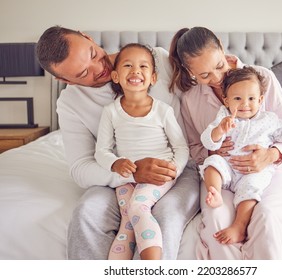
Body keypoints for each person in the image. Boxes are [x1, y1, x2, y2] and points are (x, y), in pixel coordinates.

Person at [36, 26, 200, 260]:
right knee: (86, 214)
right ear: (64, 80)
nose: (100, 68)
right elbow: (81, 168)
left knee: (167, 215)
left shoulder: (154, 60)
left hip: (176, 170)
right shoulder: (70, 104)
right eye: (83, 74)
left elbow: (210, 93)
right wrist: (133, 173)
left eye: (93, 54)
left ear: (88, 37)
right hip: (118, 177)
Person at [169, 26, 282, 259]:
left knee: (267, 217)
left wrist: (269, 155)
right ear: (189, 71)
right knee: (218, 225)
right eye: (204, 75)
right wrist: (213, 148)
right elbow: (194, 148)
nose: (218, 79)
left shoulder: (263, 79)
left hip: (270, 170)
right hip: (223, 174)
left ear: (221, 46)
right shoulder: (191, 100)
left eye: (219, 66)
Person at [199, 67, 282, 245]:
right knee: (212, 162)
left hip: (253, 171)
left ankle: (239, 226)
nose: (245, 104)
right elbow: (208, 141)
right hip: (228, 167)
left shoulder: (269, 119)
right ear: (226, 100)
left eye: (251, 99)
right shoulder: (224, 116)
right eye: (237, 99)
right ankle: (215, 192)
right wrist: (219, 130)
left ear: (261, 100)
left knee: (250, 190)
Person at [94, 43, 189, 260]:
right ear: (116, 76)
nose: (136, 71)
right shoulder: (110, 112)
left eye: (143, 66)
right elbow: (102, 151)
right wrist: (115, 164)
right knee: (126, 222)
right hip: (126, 177)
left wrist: (173, 169)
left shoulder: (163, 110)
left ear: (153, 77)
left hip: (159, 174)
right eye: (128, 65)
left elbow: (181, 147)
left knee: (137, 207)